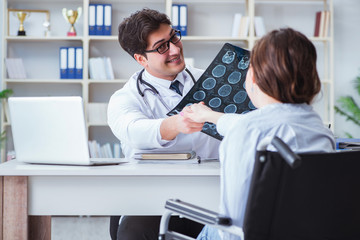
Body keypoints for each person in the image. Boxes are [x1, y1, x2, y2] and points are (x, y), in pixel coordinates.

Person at [181, 28, 336, 240]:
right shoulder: (321, 131)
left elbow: (233, 227)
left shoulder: (247, 133)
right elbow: (259, 124)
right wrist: (209, 115)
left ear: (253, 76)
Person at [107, 8, 221, 240]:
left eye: (174, 37)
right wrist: (177, 124)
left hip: (213, 195)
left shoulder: (213, 81)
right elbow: (133, 131)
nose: (175, 49)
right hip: (154, 199)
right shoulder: (126, 98)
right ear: (141, 59)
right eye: (162, 46)